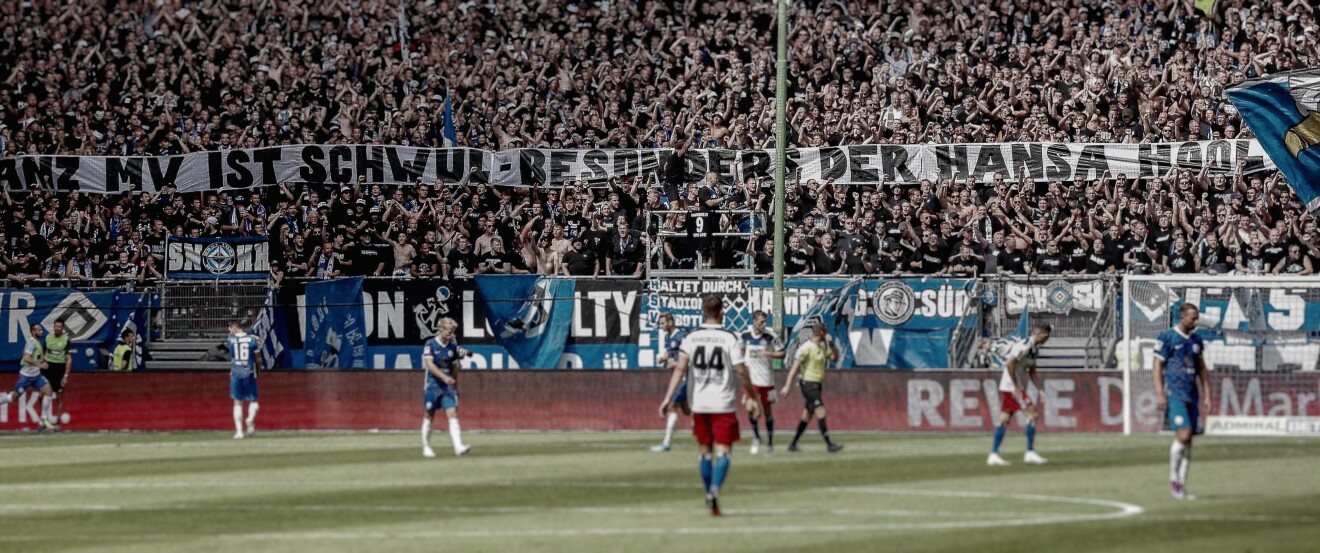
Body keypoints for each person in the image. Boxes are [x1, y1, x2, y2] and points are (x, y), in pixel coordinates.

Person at [659, 295, 758, 516]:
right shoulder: (729, 338)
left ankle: (709, 494)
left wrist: (667, 398)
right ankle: (714, 490)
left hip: (699, 404)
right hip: (723, 404)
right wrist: (752, 396)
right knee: (724, 451)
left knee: (704, 451)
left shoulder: (691, 338)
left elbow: (680, 369)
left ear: (703, 312)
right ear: (722, 312)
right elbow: (741, 371)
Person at [1153, 304, 1211, 500]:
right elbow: (1157, 366)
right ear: (1182, 317)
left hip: (1192, 395)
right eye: (1193, 318)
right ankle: (1174, 480)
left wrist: (1207, 395)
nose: (1196, 322)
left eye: (1197, 318)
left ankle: (1181, 486)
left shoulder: (1196, 340)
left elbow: (1202, 370)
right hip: (1174, 394)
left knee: (1189, 441)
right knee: (1184, 435)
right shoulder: (1167, 337)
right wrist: (1160, 393)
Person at [986, 323, 1053, 466]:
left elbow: (1032, 370)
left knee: (1004, 419)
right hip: (1012, 387)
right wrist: (1016, 385)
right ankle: (1029, 452)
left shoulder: (1033, 349)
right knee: (1032, 414)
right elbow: (1010, 363)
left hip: (1010, 387)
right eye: (1047, 336)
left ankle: (993, 454)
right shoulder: (1024, 346)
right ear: (1040, 334)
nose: (1047, 339)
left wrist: (1040, 389)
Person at [781, 321, 844, 453]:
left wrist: (831, 344)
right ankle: (829, 445)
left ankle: (793, 444)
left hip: (817, 384)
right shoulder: (806, 348)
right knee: (821, 411)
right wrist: (787, 386)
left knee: (807, 416)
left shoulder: (822, 346)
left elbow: (835, 358)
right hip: (808, 384)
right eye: (825, 332)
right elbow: (794, 367)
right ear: (821, 333)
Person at [421, 317, 472, 458]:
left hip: (447, 389)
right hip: (432, 385)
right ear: (441, 329)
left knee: (452, 413)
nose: (451, 334)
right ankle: (426, 447)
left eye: (453, 332)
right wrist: (444, 377)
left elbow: (454, 368)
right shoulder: (430, 344)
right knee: (429, 415)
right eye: (449, 332)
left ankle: (458, 447)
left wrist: (455, 385)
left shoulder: (453, 347)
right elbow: (430, 365)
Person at [741, 311, 785, 455]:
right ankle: (756, 437)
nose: (764, 324)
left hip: (767, 380)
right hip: (752, 380)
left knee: (767, 411)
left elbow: (783, 353)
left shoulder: (771, 336)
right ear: (754, 321)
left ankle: (770, 443)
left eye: (765, 322)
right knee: (749, 408)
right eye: (761, 322)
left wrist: (770, 354)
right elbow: (741, 352)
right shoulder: (745, 336)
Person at [0, 323, 57, 431]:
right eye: (38, 330)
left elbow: (32, 355)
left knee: (48, 391)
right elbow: (26, 357)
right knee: (13, 397)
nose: (41, 331)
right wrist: (40, 365)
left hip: (36, 375)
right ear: (33, 332)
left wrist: (44, 359)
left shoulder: (37, 343)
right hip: (26, 376)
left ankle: (44, 420)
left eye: (41, 329)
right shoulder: (32, 342)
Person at [651, 312, 689, 452]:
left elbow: (689, 357)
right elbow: (668, 352)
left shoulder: (682, 336)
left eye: (662, 323)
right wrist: (663, 358)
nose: (660, 326)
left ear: (670, 322)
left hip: (684, 377)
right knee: (687, 410)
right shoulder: (668, 337)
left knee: (672, 406)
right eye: (660, 323)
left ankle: (666, 443)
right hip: (675, 378)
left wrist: (676, 364)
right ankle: (709, 429)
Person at [228, 321, 263, 440]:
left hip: (236, 373)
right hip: (249, 372)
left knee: (237, 402)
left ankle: (239, 432)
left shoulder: (230, 340)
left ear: (234, 328)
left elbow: (236, 340)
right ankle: (250, 419)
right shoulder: (253, 340)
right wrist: (258, 372)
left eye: (230, 329)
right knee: (253, 400)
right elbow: (258, 359)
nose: (229, 332)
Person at [41, 318, 73, 429]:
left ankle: (58, 422)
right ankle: (44, 419)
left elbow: (69, 359)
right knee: (42, 394)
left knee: (59, 396)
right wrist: (41, 363)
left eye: (59, 327)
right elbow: (43, 353)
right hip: (48, 368)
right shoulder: (48, 337)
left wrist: (66, 375)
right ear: (53, 327)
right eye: (56, 326)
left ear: (63, 328)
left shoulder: (66, 340)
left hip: (59, 369)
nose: (57, 328)